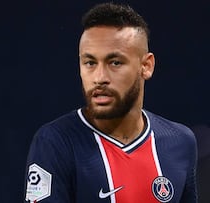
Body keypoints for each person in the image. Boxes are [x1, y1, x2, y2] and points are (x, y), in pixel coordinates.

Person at [24, 2, 197, 203]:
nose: (99, 77)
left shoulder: (181, 142)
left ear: (146, 66)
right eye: (90, 63)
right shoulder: (56, 142)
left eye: (115, 63)